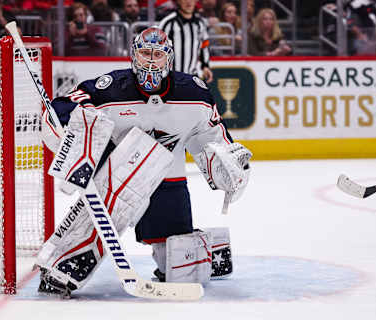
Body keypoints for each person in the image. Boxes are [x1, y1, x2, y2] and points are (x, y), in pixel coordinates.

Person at [34, 27, 251, 298]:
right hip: (116, 179)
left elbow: (212, 141)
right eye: (145, 53)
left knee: (180, 272)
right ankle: (64, 263)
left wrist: (227, 167)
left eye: (157, 55)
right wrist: (65, 124)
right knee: (131, 175)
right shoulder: (111, 89)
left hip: (167, 181)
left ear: (168, 60)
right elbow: (66, 106)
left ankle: (208, 251)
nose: (150, 61)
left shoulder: (194, 94)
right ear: (133, 57)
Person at [159, 0, 214, 83]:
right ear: (178, 2)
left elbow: (204, 45)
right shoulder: (168, 23)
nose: (189, 2)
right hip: (170, 78)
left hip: (192, 77)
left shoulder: (200, 23)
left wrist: (205, 66)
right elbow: (157, 49)